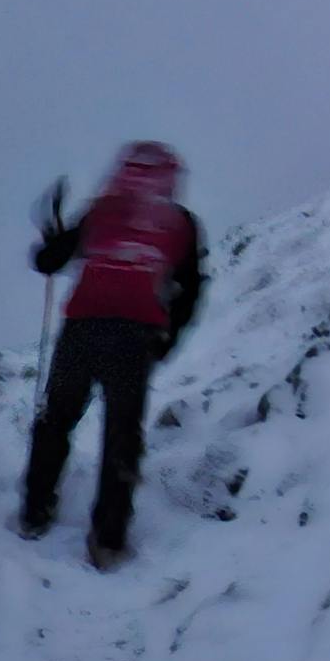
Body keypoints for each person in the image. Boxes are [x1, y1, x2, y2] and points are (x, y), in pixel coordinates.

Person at [20, 141, 206, 570]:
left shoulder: (101, 210)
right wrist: (166, 338)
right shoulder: (181, 224)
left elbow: (49, 261)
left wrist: (50, 237)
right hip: (134, 337)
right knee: (122, 435)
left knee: (57, 419)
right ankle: (108, 538)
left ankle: (35, 512)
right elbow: (191, 287)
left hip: (82, 329)